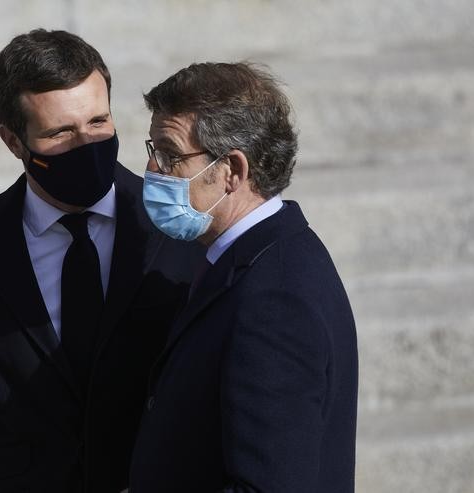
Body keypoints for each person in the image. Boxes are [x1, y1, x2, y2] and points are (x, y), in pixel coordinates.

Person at [0, 29, 201, 493]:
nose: (86, 143)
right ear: (14, 141)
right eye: (60, 133)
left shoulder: (181, 224)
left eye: (98, 122)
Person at [130, 62, 358, 492]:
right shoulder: (250, 258)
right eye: (152, 149)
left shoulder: (276, 299)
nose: (152, 168)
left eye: (170, 154)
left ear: (232, 170)